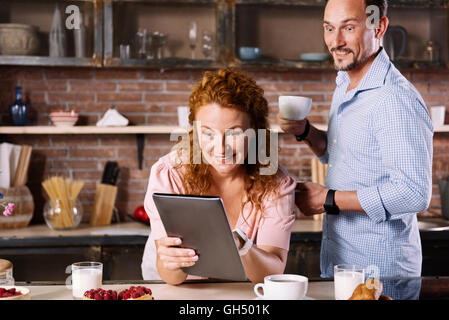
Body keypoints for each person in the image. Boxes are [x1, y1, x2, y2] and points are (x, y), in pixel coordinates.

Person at [279, 0, 433, 278]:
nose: (335, 41)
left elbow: (413, 193)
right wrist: (306, 132)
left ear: (379, 27)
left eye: (348, 27)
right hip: (343, 264)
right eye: (329, 28)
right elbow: (342, 154)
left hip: (380, 275)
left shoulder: (393, 98)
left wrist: (328, 199)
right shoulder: (346, 82)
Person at [142, 69, 296, 285]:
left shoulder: (276, 184)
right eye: (207, 133)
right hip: (181, 290)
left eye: (234, 132)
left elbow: (271, 273)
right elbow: (171, 277)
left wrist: (242, 246)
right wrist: (175, 260)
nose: (221, 148)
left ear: (255, 131)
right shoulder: (169, 174)